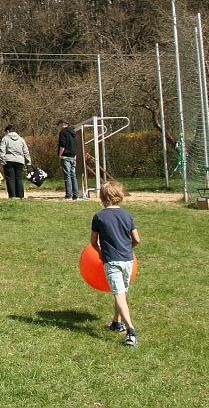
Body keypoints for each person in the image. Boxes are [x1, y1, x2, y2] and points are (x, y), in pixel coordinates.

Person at [91, 181, 141, 347]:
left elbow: (93, 242)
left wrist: (100, 253)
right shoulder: (127, 215)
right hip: (128, 261)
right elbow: (137, 239)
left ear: (102, 197)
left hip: (112, 261)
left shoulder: (99, 217)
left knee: (119, 295)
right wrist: (127, 249)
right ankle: (116, 323)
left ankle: (131, 331)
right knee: (121, 292)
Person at [0, 124, 31, 199]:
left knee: (10, 178)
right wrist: (28, 162)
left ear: (8, 131)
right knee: (19, 178)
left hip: (8, 160)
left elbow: (2, 150)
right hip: (20, 160)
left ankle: (12, 195)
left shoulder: (5, 138)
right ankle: (20, 195)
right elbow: (26, 151)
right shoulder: (21, 139)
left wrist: (2, 160)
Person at [57, 118, 79, 200]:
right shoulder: (73, 133)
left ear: (62, 124)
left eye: (59, 125)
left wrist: (60, 154)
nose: (58, 127)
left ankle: (68, 195)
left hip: (65, 156)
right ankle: (75, 195)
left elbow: (62, 145)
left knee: (67, 176)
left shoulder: (63, 132)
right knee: (73, 175)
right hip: (73, 156)